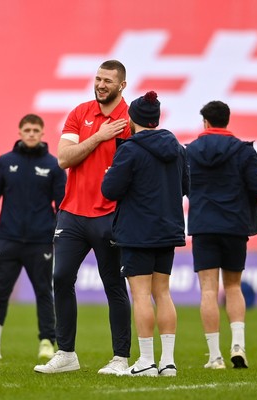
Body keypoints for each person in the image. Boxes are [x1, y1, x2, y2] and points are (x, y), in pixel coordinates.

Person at [34, 60, 132, 375]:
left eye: (108, 81)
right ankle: (66, 354)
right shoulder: (80, 112)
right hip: (72, 214)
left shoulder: (129, 121)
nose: (101, 84)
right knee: (61, 277)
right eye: (98, 79)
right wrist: (99, 136)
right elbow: (63, 158)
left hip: (110, 216)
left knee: (114, 285)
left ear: (122, 86)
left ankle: (120, 358)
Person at [101, 91, 188, 377]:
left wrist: (110, 173)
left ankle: (147, 361)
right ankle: (168, 362)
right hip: (168, 228)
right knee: (162, 293)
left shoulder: (129, 149)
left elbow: (110, 190)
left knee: (140, 296)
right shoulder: (176, 147)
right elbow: (187, 185)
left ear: (132, 118)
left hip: (138, 231)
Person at [185, 100, 257, 369]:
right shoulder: (244, 151)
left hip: (203, 226)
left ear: (205, 122)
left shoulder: (190, 151)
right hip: (235, 227)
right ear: (227, 120)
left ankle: (215, 357)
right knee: (234, 287)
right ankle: (238, 345)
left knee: (209, 290)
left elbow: (181, 186)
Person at [0, 114, 67, 361]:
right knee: (0, 291)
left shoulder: (53, 165)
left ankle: (47, 342)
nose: (32, 133)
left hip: (40, 242)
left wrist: (57, 235)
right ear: (20, 132)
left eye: (36, 129)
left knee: (44, 292)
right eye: (27, 129)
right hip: (8, 239)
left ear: (42, 133)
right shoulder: (5, 162)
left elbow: (63, 205)